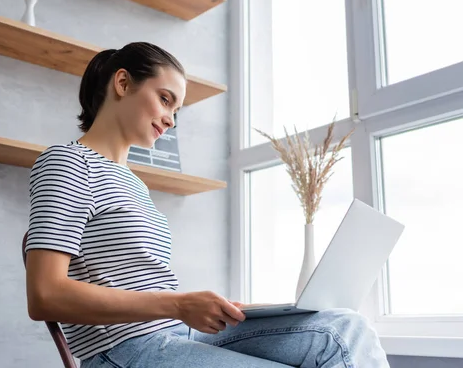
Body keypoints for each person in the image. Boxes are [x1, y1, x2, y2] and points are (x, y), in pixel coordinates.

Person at [24, 42, 390, 368]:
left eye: (176, 109)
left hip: (178, 335)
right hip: (124, 351)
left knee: (345, 328)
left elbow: (146, 287)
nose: (170, 119)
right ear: (122, 84)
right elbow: (45, 295)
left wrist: (214, 308)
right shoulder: (69, 162)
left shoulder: (133, 183)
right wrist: (178, 305)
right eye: (165, 99)